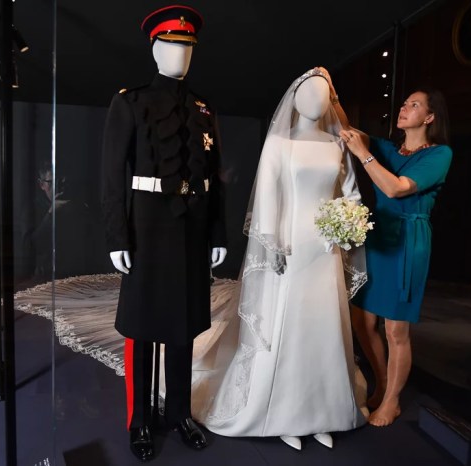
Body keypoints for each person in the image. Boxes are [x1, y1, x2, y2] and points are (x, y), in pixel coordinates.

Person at [193, 67, 368, 451]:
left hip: (326, 247)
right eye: (311, 92)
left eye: (325, 94)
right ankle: (285, 414)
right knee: (288, 324)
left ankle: (324, 411)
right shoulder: (279, 143)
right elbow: (268, 196)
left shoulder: (337, 143)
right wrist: (270, 242)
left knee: (323, 325)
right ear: (296, 97)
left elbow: (350, 191)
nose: (318, 100)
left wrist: (351, 221)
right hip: (290, 244)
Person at [101, 5, 227, 462]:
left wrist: (217, 232)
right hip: (147, 227)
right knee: (142, 326)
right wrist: (118, 236)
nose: (180, 55)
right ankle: (139, 420)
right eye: (172, 45)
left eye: (187, 47)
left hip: (192, 229)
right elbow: (113, 175)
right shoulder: (130, 102)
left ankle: (179, 412)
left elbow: (214, 178)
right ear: (154, 48)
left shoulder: (204, 109)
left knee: (183, 325)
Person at [332, 80, 453, 427]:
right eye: (403, 103)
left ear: (430, 117)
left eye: (413, 105)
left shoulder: (439, 154)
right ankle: (383, 382)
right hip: (379, 236)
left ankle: (392, 401)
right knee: (361, 319)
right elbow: (347, 129)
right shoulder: (390, 150)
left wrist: (364, 154)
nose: (403, 108)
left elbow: (396, 188)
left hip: (407, 241)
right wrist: (333, 94)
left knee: (395, 329)